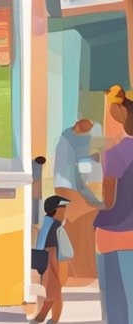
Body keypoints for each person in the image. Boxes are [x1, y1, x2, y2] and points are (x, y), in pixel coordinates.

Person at [86, 89, 133, 324]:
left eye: (109, 120)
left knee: (115, 300)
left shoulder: (114, 153)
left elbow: (108, 197)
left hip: (112, 231)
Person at [54, 120, 103, 280]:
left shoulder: (68, 138)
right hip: (68, 190)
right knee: (89, 217)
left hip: (67, 188)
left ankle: (82, 267)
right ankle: (85, 268)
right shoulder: (70, 139)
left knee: (88, 217)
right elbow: (86, 169)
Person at [28, 195, 73, 324]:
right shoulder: (54, 225)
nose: (65, 211)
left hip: (49, 259)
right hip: (49, 259)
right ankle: (37, 322)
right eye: (63, 208)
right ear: (55, 210)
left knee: (56, 294)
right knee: (52, 294)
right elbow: (49, 247)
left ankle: (52, 323)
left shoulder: (49, 222)